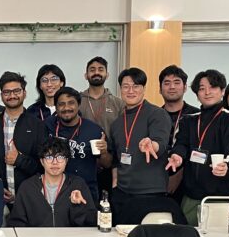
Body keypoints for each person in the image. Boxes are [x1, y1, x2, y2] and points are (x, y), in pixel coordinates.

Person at [164, 70, 229, 226]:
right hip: (191, 195)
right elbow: (181, 144)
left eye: (213, 87)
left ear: (222, 91)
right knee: (187, 236)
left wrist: (226, 166)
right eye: (202, 88)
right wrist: (177, 155)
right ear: (196, 94)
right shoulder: (189, 120)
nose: (207, 92)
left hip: (219, 196)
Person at [101, 68, 180, 225]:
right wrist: (115, 184)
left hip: (150, 192)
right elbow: (116, 159)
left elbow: (161, 142)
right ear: (120, 89)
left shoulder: (157, 114)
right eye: (126, 86)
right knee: (119, 236)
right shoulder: (117, 123)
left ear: (144, 89)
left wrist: (152, 145)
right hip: (122, 193)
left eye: (136, 86)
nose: (131, 91)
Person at [0, 72, 47, 205]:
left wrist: (19, 160)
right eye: (7, 92)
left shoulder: (37, 125)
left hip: (30, 199)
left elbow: (43, 165)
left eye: (16, 91)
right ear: (1, 96)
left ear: (24, 93)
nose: (12, 95)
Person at [44, 87, 106, 200]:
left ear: (79, 105)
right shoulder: (47, 126)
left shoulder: (94, 130)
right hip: (55, 192)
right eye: (61, 104)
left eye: (71, 103)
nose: (66, 108)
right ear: (56, 107)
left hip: (86, 191)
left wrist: (104, 152)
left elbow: (107, 164)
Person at [80, 56, 123, 199]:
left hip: (110, 163)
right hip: (83, 161)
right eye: (92, 70)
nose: (96, 72)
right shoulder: (77, 101)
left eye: (100, 69)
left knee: (108, 205)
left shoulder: (118, 103)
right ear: (86, 75)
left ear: (107, 74)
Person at [158, 65, 200, 151]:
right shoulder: (154, 116)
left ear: (185, 87)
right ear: (160, 89)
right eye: (167, 83)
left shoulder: (196, 115)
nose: (172, 87)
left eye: (177, 83)